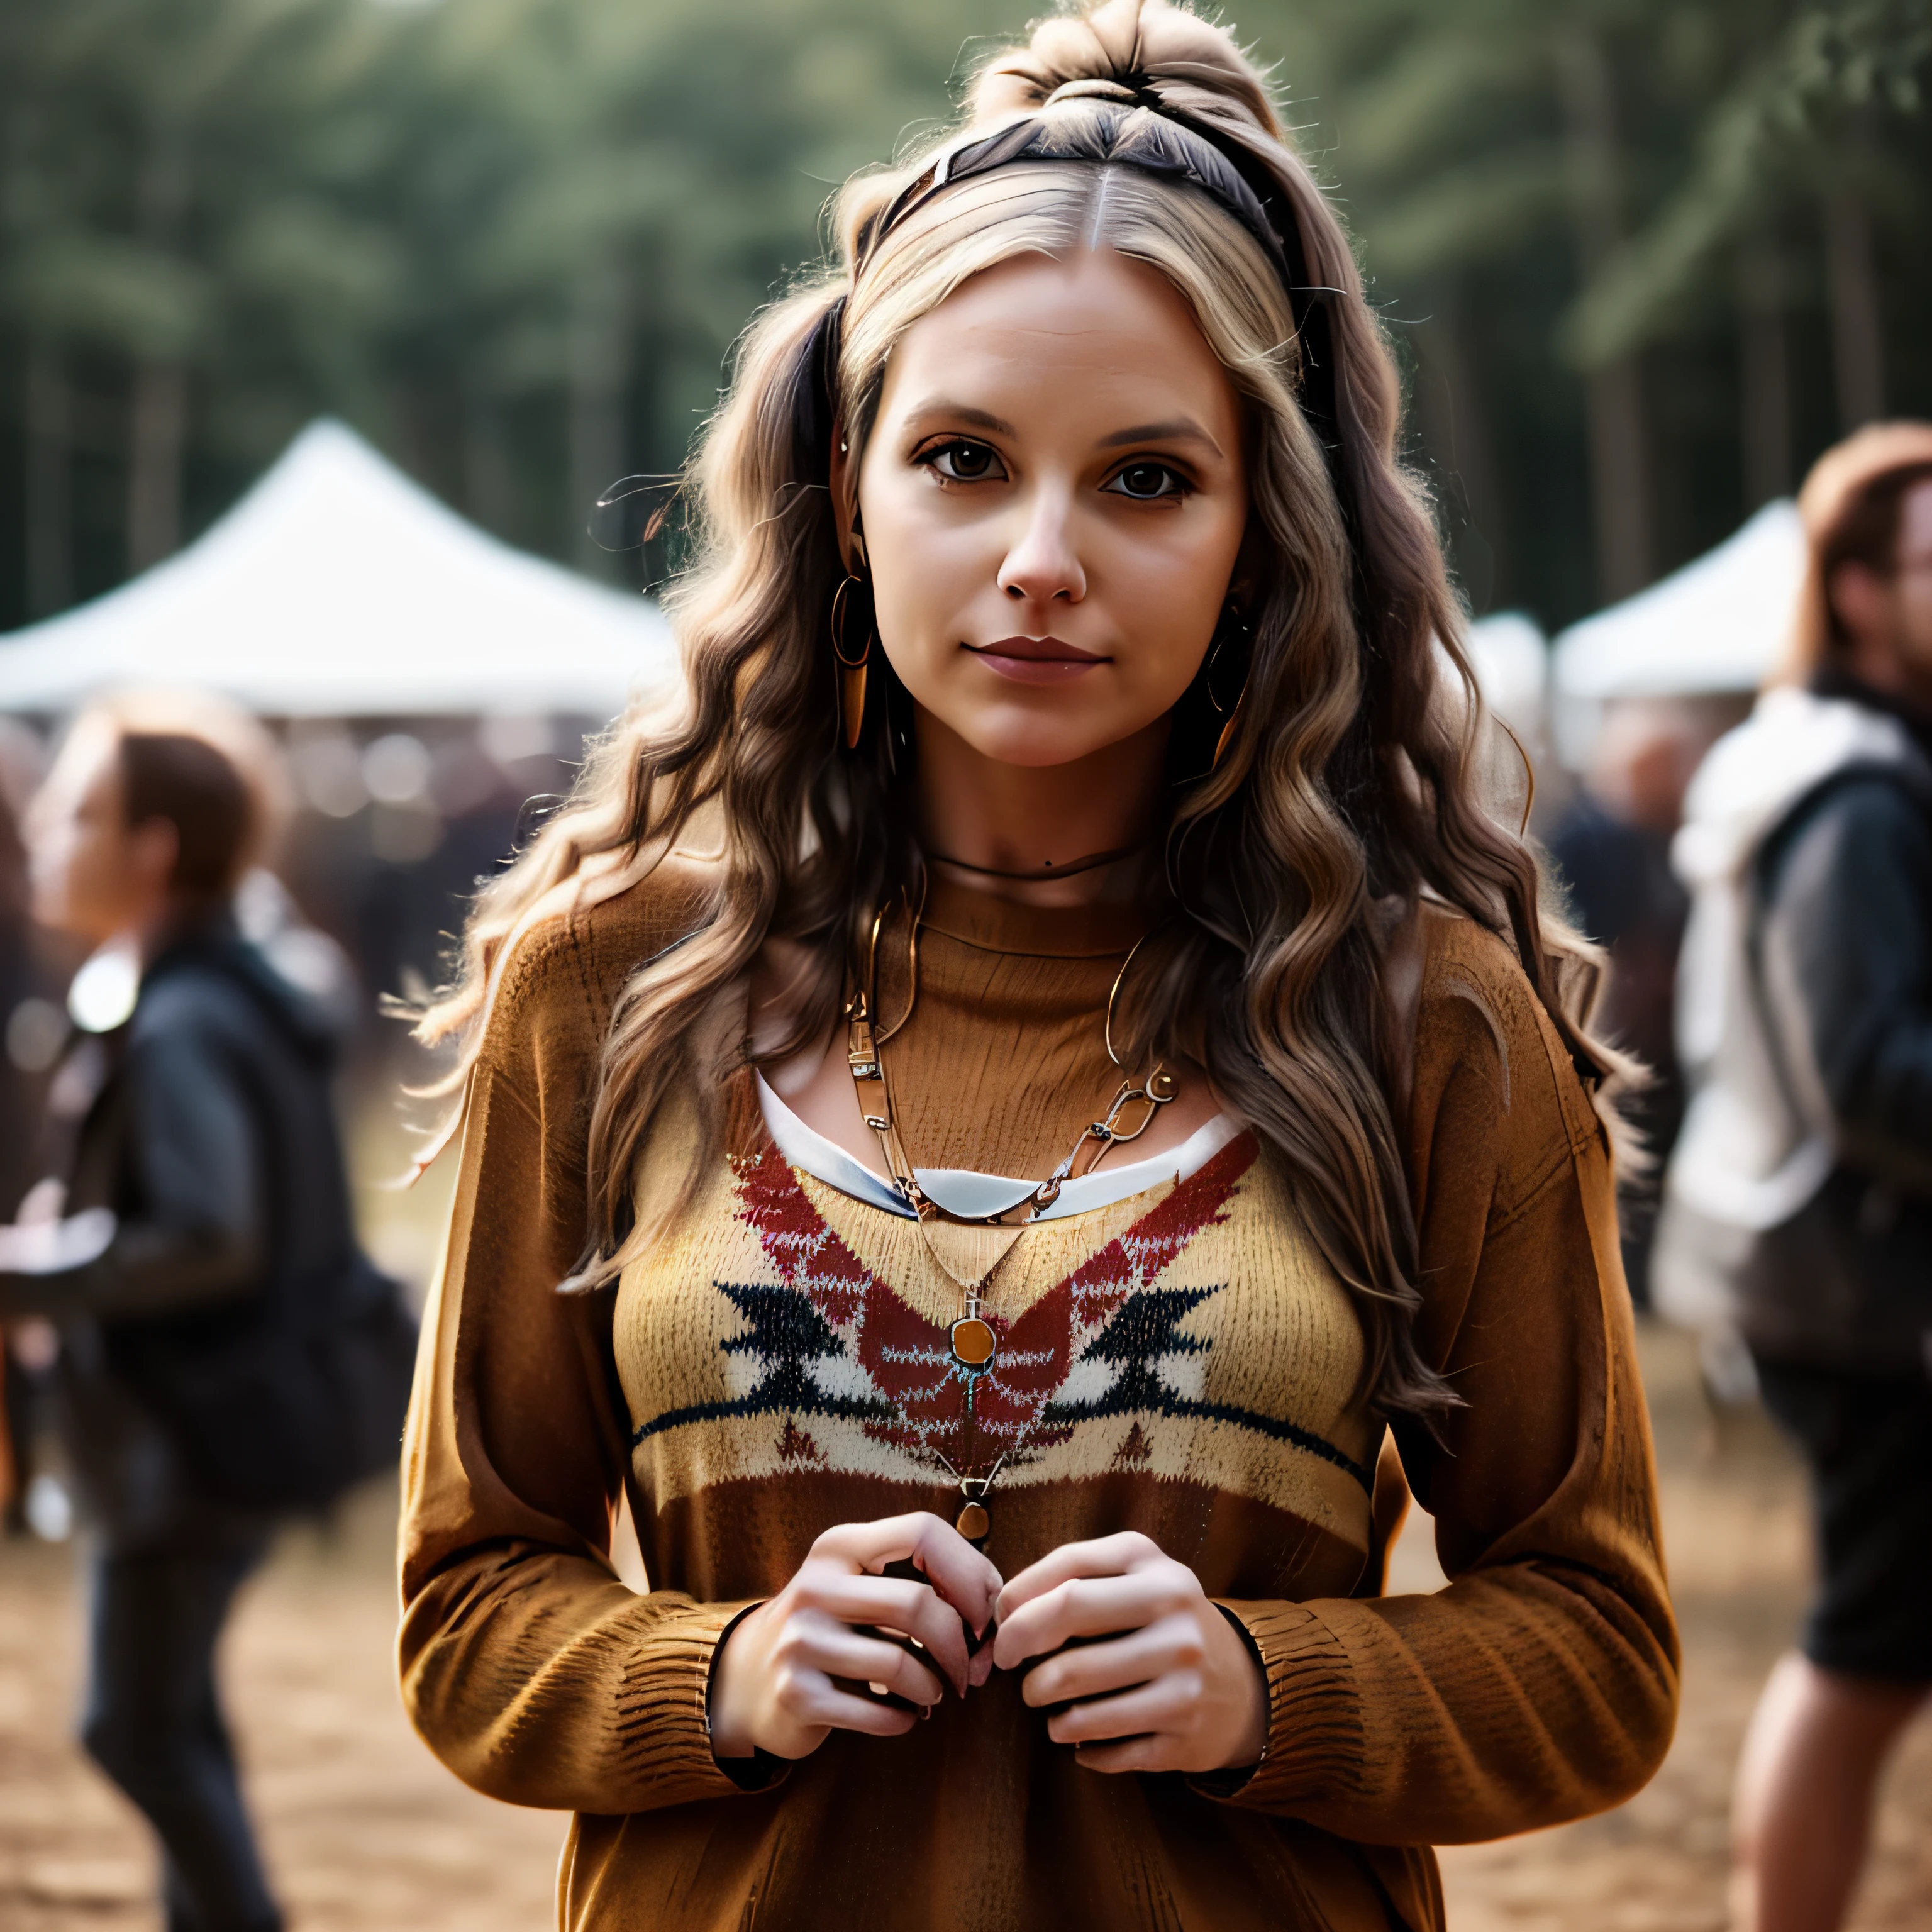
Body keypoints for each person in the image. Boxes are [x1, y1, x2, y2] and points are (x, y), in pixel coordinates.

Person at [397, 6, 1678, 1927]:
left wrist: (1275, 1683)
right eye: (966, 459)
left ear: (1266, 532)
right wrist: (718, 1676)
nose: (1041, 559)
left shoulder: (1422, 1018)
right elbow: (466, 1608)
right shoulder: (609, 988)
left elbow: (1600, 1652)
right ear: (848, 487)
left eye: (1149, 479)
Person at [0, 692, 413, 1932]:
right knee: (170, 1719)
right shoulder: (224, 980)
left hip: (196, 1430)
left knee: (131, 1729)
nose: (41, 838)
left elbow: (206, 1236)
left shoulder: (181, 1019)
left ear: (154, 850)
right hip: (240, 1416)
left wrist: (20, 1276)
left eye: (77, 813)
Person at [1653, 421, 1932, 1932]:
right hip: (1875, 1290)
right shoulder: (1859, 799)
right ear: (1864, 594)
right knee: (1869, 1650)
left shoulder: (1839, 770)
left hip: (1843, 1276)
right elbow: (1872, 1074)